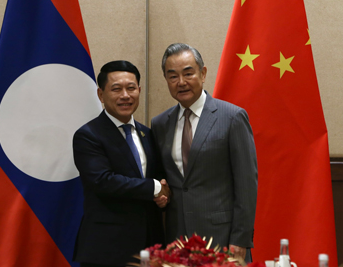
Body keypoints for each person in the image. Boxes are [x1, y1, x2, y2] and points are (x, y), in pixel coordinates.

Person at [151, 43, 258, 263]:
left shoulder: (232, 117)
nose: (181, 82)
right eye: (173, 76)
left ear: (203, 73)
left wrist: (240, 239)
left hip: (222, 238)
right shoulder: (160, 123)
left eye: (188, 73)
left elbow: (246, 184)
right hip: (177, 239)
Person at [73, 60, 170, 267]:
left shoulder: (148, 134)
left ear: (139, 90)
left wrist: (164, 195)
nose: (125, 95)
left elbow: (161, 178)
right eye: (116, 89)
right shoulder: (88, 135)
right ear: (101, 95)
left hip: (148, 246)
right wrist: (154, 187)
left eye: (131, 88)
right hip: (107, 248)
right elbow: (103, 181)